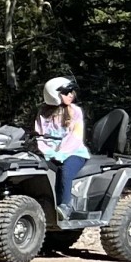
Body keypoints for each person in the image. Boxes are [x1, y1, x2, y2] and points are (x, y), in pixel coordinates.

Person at [35, 75, 86, 209]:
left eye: (71, 92)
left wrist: (62, 154)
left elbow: (75, 137)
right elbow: (40, 136)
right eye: (66, 93)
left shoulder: (75, 111)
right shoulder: (42, 113)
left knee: (65, 170)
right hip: (50, 153)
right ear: (53, 94)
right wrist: (47, 152)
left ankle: (64, 206)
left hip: (74, 153)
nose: (70, 95)